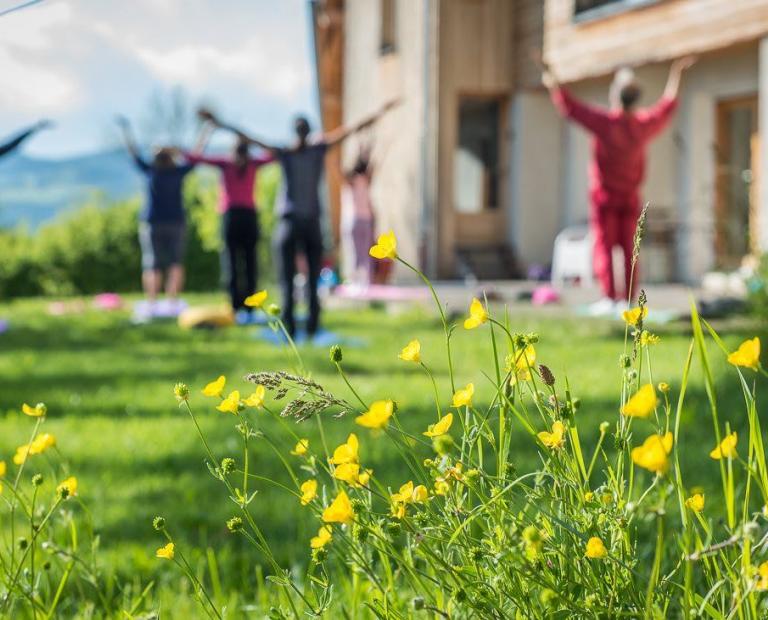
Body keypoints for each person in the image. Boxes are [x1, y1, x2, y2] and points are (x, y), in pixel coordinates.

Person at [201, 101, 397, 338]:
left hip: (292, 221)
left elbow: (251, 139)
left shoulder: (289, 152)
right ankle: (312, 326)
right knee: (312, 279)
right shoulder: (315, 150)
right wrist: (379, 111)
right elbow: (349, 129)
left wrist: (220, 123)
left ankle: (292, 327)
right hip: (308, 222)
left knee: (288, 280)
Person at [543, 56, 696, 315]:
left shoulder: (605, 123)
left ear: (616, 97)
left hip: (604, 198)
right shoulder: (642, 126)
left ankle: (609, 298)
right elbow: (667, 106)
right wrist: (676, 74)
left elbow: (570, 107)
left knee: (604, 247)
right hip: (629, 198)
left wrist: (552, 81)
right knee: (630, 250)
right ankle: (627, 299)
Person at [185, 125, 274, 320]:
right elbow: (274, 154)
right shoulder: (245, 163)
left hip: (236, 216)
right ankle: (244, 307)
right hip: (244, 216)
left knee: (236, 263)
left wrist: (206, 132)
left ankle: (241, 307)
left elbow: (193, 157)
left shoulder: (231, 163)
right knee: (245, 263)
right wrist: (250, 138)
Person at [116, 116, 199, 318]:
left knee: (154, 263)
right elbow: (196, 156)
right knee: (173, 263)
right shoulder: (177, 171)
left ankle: (156, 303)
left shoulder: (152, 170)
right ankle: (169, 302)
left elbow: (134, 152)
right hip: (172, 221)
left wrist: (126, 131)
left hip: (154, 222)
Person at [340, 140, 377, 288]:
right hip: (366, 219)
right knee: (366, 252)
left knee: (354, 252)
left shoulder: (351, 180)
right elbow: (373, 164)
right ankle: (367, 281)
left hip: (354, 219)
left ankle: (355, 281)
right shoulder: (367, 179)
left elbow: (338, 168)